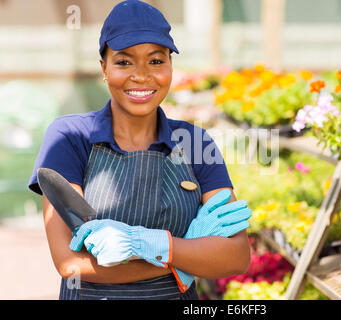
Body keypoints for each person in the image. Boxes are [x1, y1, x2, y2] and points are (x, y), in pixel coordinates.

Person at [28, 0, 252, 300]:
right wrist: (180, 256)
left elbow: (235, 256)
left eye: (156, 61)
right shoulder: (70, 137)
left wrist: (155, 245)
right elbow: (71, 264)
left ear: (171, 65)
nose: (141, 75)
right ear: (104, 68)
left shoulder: (195, 142)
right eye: (124, 62)